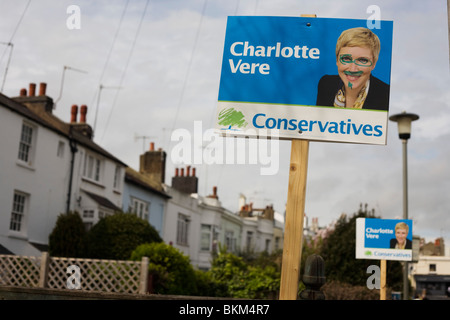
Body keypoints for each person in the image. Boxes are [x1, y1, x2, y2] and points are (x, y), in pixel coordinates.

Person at [316, 27, 390, 110]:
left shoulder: (387, 94)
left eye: (362, 60)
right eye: (346, 59)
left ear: (374, 64)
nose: (353, 69)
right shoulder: (326, 84)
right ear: (337, 60)